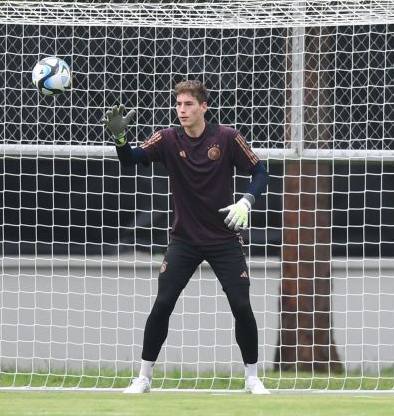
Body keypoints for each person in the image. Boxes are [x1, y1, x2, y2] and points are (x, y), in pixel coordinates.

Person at [102, 80, 270, 395]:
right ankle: (143, 377)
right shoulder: (167, 138)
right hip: (184, 240)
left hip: (224, 239)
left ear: (204, 107)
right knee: (163, 303)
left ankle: (252, 378)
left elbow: (260, 173)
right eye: (178, 104)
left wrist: (246, 202)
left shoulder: (227, 137)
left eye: (189, 104)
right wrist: (120, 139)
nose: (182, 110)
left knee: (241, 305)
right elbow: (130, 159)